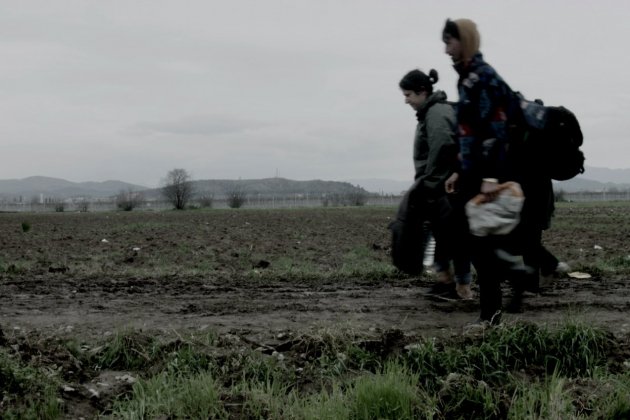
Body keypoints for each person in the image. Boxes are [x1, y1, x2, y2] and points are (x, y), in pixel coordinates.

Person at [442, 18, 530, 324]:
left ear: (463, 41)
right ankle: (516, 274)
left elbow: (496, 129)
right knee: (470, 238)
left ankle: (492, 315)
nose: (445, 49)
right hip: (473, 171)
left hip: (488, 171)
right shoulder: (467, 77)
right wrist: (458, 169)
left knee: (473, 240)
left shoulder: (482, 76)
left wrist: (491, 177)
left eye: (449, 42)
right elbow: (469, 131)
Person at [398, 68, 473, 300]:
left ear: (422, 92)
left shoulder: (436, 113)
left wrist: (429, 185)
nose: (406, 100)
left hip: (444, 187)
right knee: (444, 235)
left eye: (409, 94)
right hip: (442, 185)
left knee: (455, 236)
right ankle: (447, 282)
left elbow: (442, 149)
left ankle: (461, 288)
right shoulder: (431, 112)